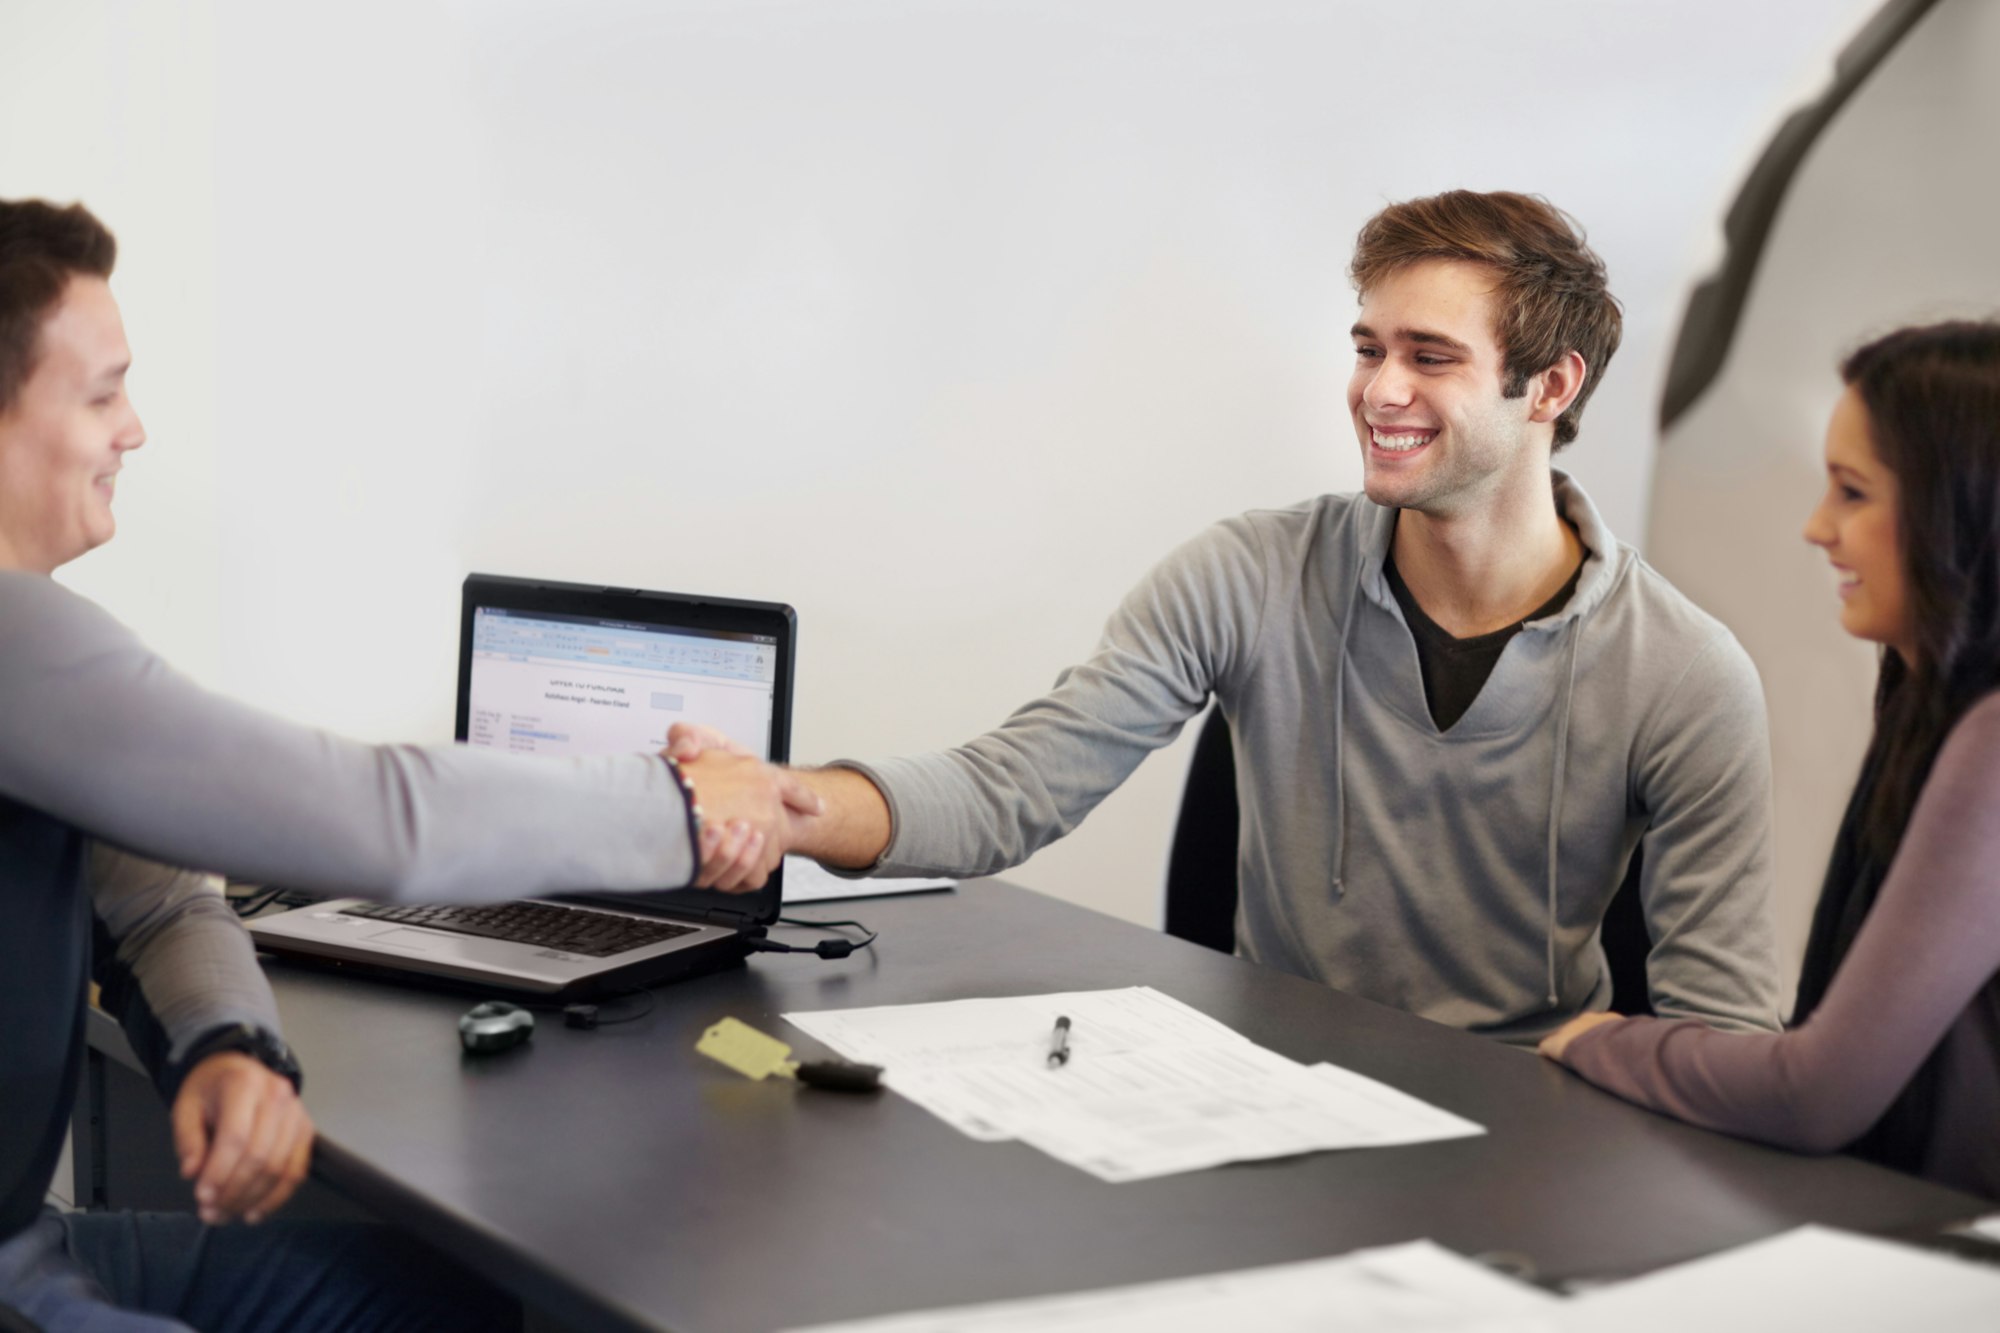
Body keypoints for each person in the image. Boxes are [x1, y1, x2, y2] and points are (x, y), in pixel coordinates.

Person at [684, 189, 1783, 1046]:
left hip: (1528, 1134)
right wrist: (790, 802)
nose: (1377, 391)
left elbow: (1716, 1033)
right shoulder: (1246, 573)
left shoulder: (1683, 673)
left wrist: (1594, 1071)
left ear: (1548, 389)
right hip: (1271, 1099)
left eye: (1428, 357)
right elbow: (1008, 789)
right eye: (1367, 348)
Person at [0, 198, 819, 1331]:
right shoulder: (13, 643)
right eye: (100, 394)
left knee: (454, 1303)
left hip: (26, 1244)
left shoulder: (34, 629)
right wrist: (681, 802)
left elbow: (151, 897)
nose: (133, 429)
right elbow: (374, 816)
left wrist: (227, 1043)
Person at [1540, 320, 2000, 1202]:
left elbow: (1816, 1093)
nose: (1818, 528)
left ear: (1962, 512)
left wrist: (1595, 1038)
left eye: (1854, 493)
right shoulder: (1924, 693)